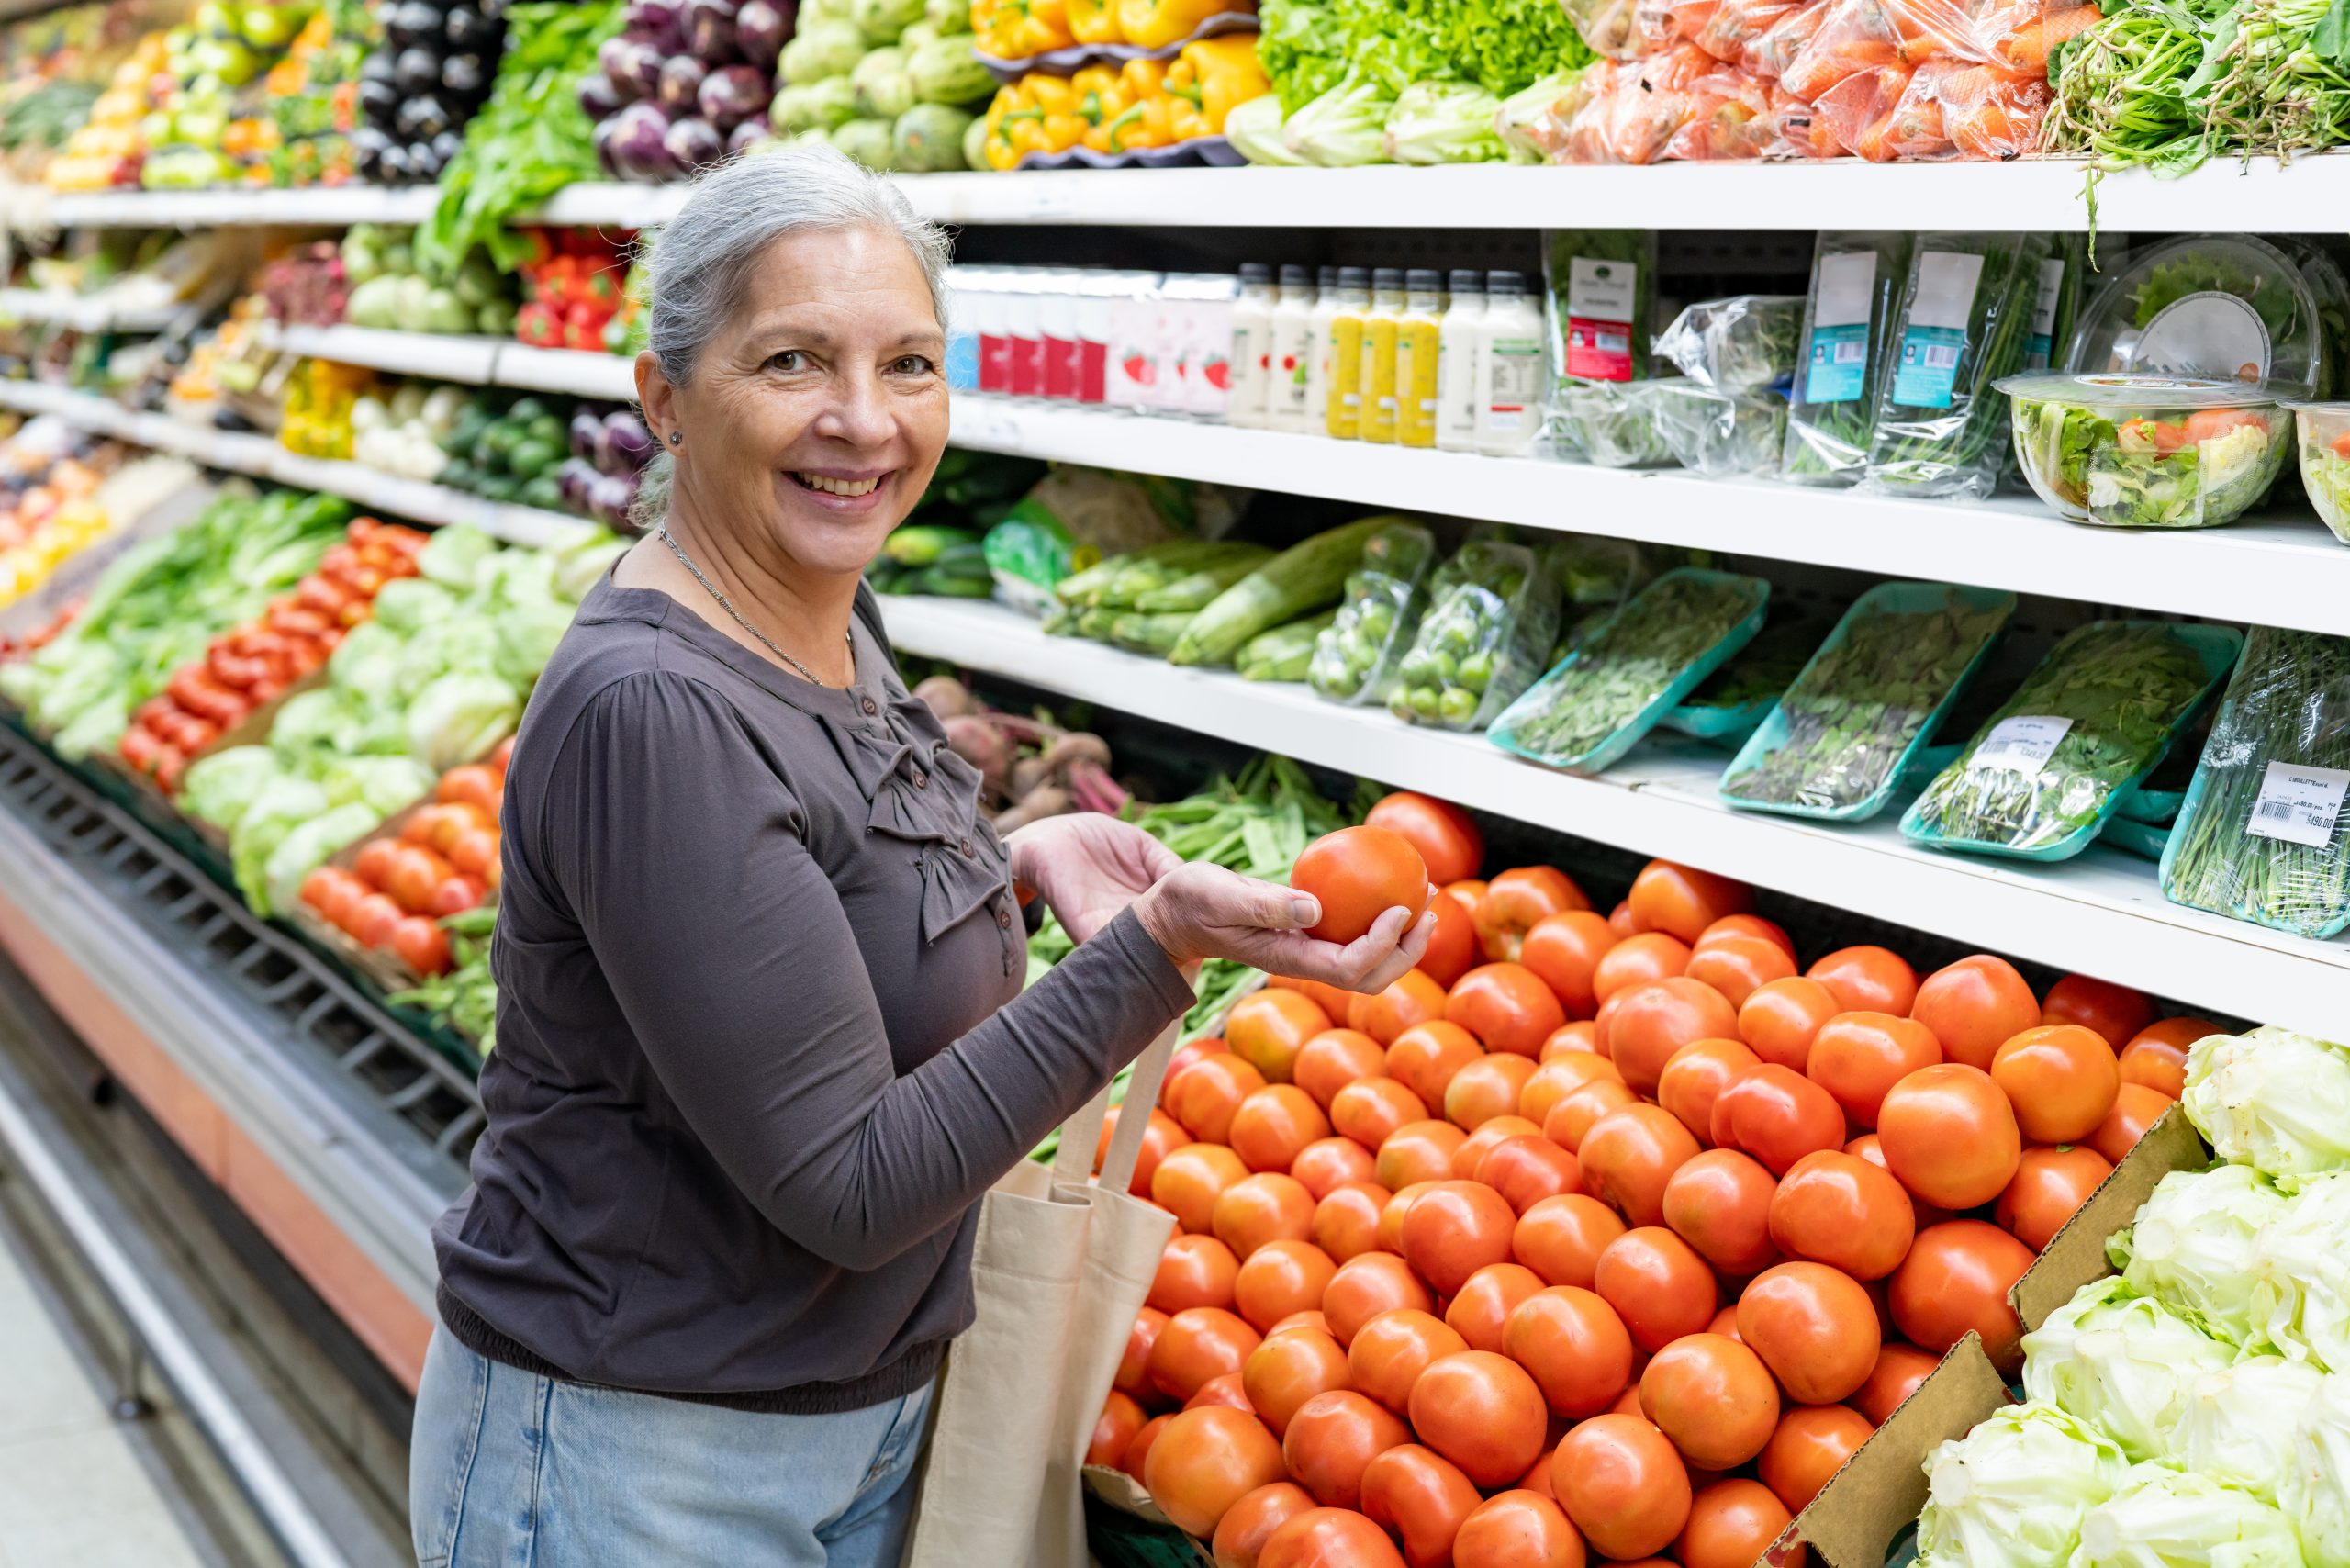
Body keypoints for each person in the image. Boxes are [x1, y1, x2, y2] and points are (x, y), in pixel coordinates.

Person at [408, 146, 1433, 1568]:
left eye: (909, 365)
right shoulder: (656, 708)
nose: (864, 421)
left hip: (835, 1419)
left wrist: (1022, 853)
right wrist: (1154, 951)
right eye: (790, 363)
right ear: (665, 399)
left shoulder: (827, 605)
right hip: (642, 1457)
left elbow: (819, 887)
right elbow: (850, 1186)